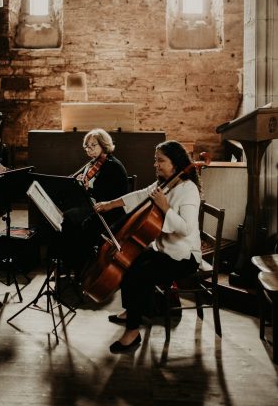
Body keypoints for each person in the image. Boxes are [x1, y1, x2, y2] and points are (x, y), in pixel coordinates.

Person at [94, 140, 201, 353]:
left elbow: (187, 229)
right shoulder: (165, 183)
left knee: (137, 275)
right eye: (155, 160)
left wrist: (165, 207)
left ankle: (132, 333)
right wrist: (109, 205)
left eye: (161, 161)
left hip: (183, 257)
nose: (156, 165)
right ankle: (131, 310)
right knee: (127, 261)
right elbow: (140, 195)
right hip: (163, 250)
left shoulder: (188, 190)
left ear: (176, 163)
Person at [61, 128, 129, 274]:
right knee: (68, 216)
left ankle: (75, 265)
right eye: (87, 146)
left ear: (104, 145)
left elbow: (107, 195)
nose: (89, 149)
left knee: (71, 220)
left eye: (93, 145)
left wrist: (87, 188)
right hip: (97, 206)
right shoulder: (95, 163)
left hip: (110, 212)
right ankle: (71, 262)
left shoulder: (112, 165)